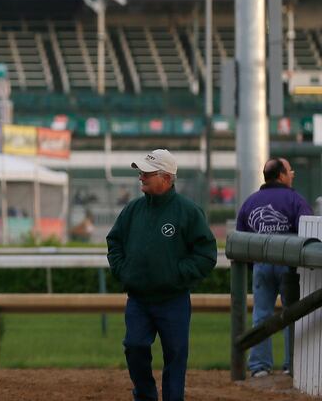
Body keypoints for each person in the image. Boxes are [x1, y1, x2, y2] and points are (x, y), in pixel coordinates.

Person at [106, 149, 217, 401]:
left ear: (166, 178)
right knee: (134, 347)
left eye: (147, 173)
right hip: (139, 300)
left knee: (176, 356)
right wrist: (124, 272)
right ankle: (145, 395)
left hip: (173, 300)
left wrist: (177, 275)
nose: (141, 177)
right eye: (140, 172)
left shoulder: (188, 211)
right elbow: (114, 242)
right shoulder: (133, 210)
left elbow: (206, 254)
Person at [235, 157, 314, 377]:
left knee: (261, 314)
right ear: (280, 175)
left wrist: (255, 265)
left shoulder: (250, 202)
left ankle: (259, 366)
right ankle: (292, 365)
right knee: (293, 314)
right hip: (288, 267)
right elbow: (308, 233)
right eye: (290, 171)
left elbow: (241, 241)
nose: (292, 174)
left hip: (261, 265)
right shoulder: (295, 199)